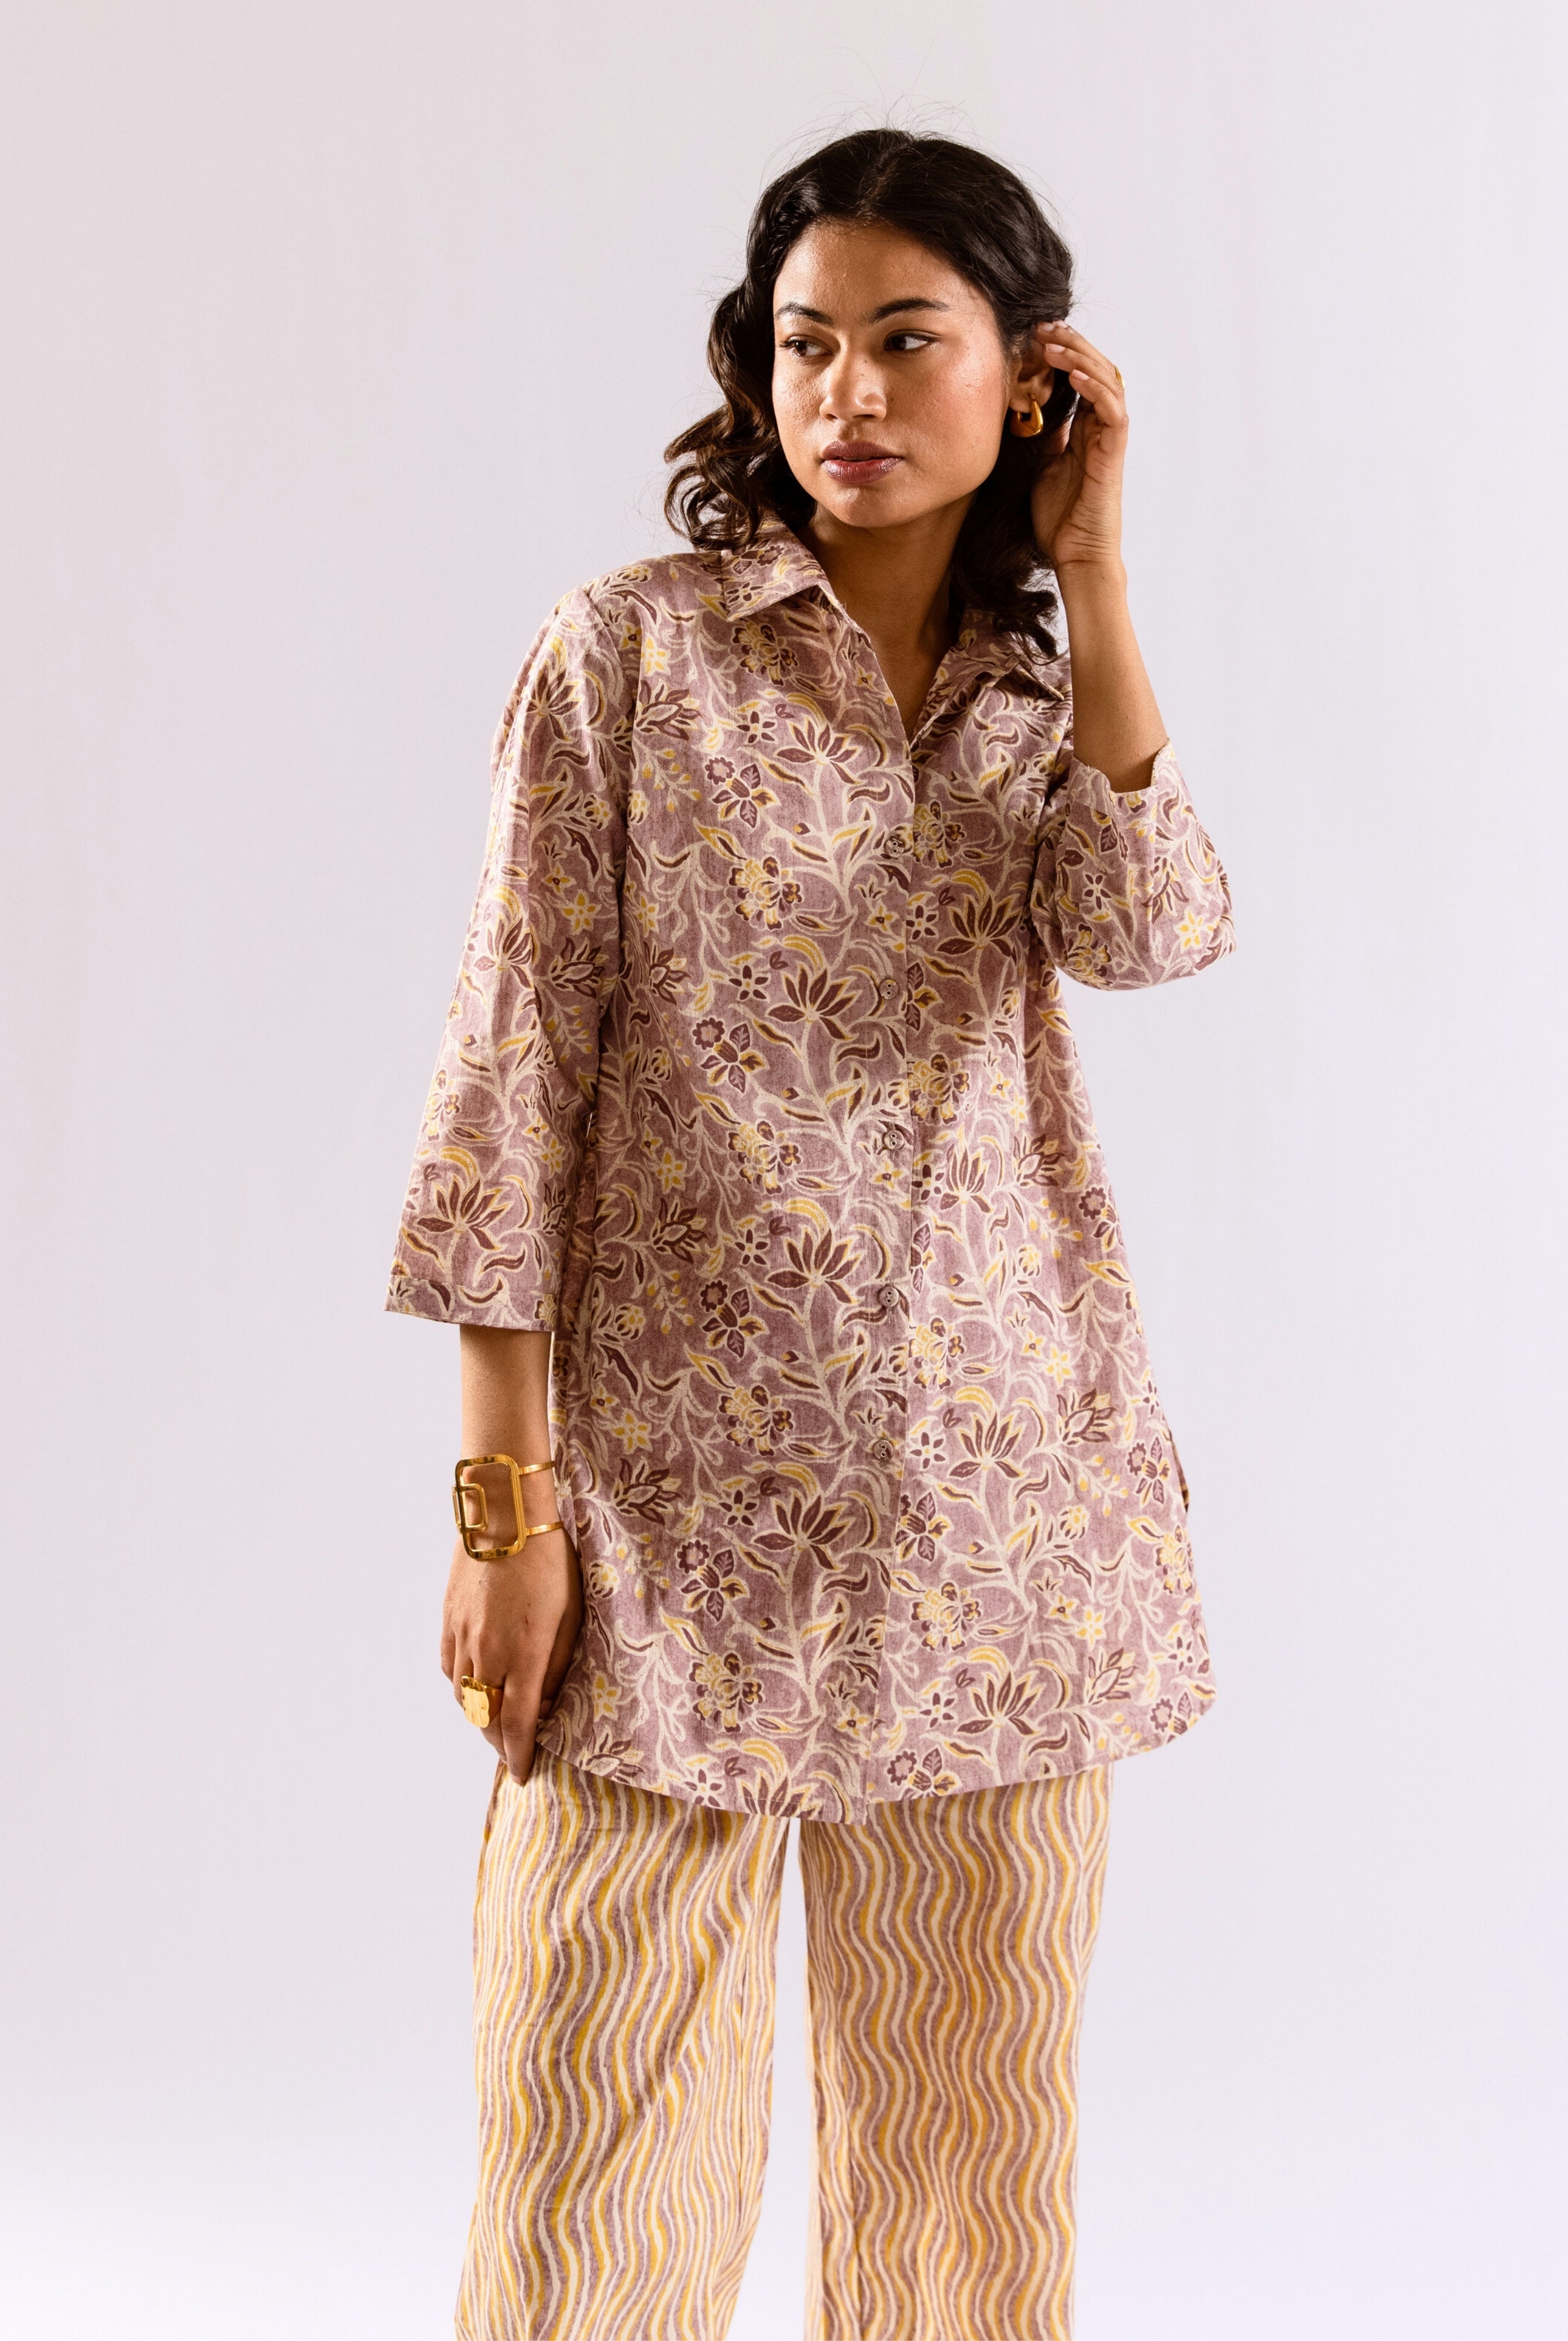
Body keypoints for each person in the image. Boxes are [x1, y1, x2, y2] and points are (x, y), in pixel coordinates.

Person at [389, 125, 1233, 2341]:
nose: (845, 392)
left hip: (992, 1529)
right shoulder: (628, 660)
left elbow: (1152, 930)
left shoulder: (1039, 703)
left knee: (967, 2202)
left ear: (1029, 382)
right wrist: (505, 1508)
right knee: (586, 2177)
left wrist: (1098, 576)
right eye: (803, 344)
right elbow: (508, 1092)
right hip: (659, 1540)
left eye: (904, 341)